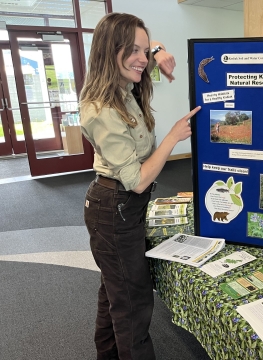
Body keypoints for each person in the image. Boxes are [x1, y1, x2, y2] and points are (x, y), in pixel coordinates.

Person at [79, 13, 200, 360]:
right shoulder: (101, 108)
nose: (143, 60)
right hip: (115, 207)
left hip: (122, 207)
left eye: (145, 51)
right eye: (134, 51)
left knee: (114, 292)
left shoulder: (124, 86)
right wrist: (174, 138)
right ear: (109, 50)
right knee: (133, 301)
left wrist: (158, 49)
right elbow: (137, 180)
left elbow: (142, 52)